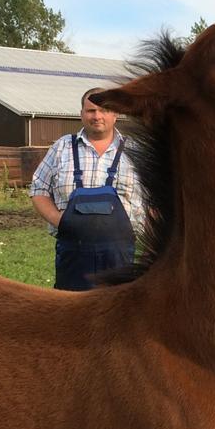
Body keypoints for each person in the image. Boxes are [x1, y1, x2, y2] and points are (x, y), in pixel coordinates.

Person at [30, 88, 144, 291]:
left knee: (119, 313)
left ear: (116, 113)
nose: (97, 116)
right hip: (73, 251)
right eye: (91, 110)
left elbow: (159, 200)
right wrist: (60, 219)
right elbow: (39, 189)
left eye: (104, 110)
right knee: (71, 313)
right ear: (82, 114)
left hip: (120, 253)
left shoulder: (136, 151)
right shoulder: (62, 147)